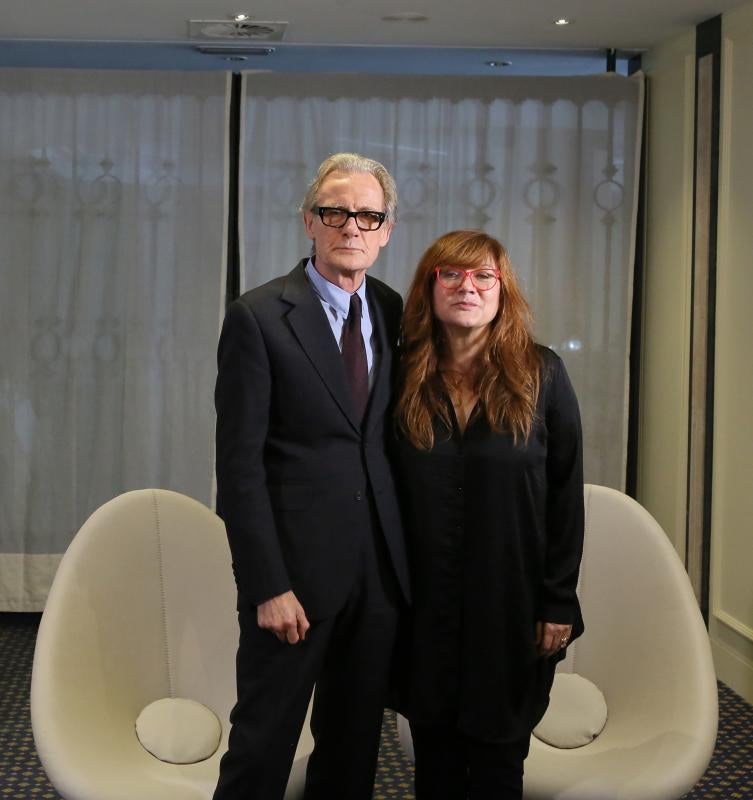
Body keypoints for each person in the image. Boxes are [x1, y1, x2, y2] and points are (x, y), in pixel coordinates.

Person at [213, 153, 410, 800]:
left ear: (384, 231)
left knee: (353, 753)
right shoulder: (259, 317)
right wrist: (267, 585)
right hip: (292, 583)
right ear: (309, 221)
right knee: (261, 749)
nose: (350, 226)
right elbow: (239, 469)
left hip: (376, 581)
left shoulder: (391, 309)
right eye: (335, 212)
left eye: (367, 215)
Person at [395, 229, 584, 799]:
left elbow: (565, 495)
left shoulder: (543, 375)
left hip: (512, 607)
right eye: (450, 275)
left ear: (504, 291)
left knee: (500, 766)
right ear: (429, 288)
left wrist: (558, 599)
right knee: (435, 766)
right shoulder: (399, 376)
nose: (466, 287)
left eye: (483, 276)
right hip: (423, 609)